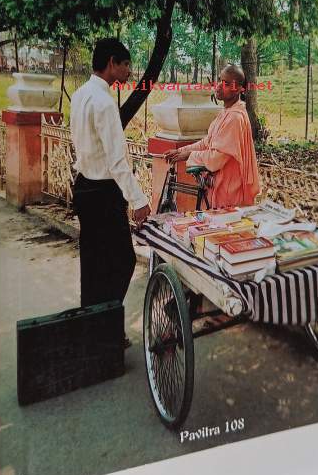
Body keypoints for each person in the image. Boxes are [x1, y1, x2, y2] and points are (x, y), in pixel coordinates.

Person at [70, 38, 150, 346]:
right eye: (126, 64)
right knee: (123, 260)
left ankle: (93, 330)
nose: (129, 71)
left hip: (84, 187)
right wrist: (138, 200)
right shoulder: (104, 103)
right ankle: (106, 328)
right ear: (112, 63)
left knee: (93, 264)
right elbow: (117, 161)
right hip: (103, 193)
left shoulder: (80, 95)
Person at [163, 64, 260, 208]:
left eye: (226, 84)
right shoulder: (225, 113)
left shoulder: (235, 118)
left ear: (239, 89)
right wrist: (180, 151)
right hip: (218, 188)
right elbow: (206, 142)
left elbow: (216, 158)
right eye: (220, 80)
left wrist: (189, 155)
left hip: (229, 192)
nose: (219, 86)